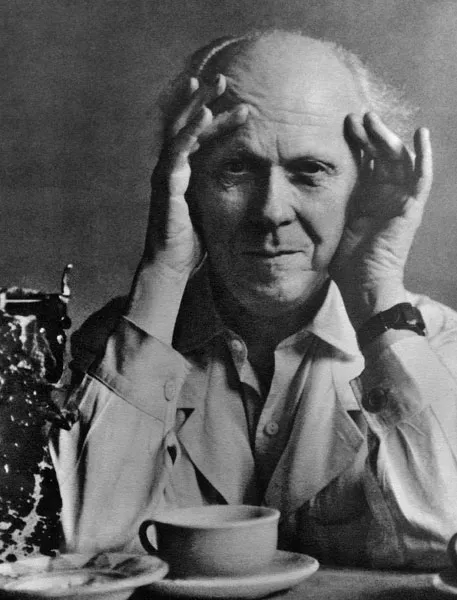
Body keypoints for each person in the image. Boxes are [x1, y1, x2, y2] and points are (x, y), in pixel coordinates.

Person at [50, 29, 457, 569]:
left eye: (310, 172)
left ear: (362, 187)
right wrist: (163, 274)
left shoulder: (438, 347)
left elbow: (447, 543)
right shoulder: (116, 345)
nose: (271, 212)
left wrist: (376, 291)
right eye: (235, 169)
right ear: (187, 184)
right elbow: (80, 555)